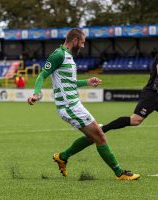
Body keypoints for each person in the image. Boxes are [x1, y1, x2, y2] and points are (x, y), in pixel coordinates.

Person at [27, 29, 139, 180]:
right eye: (82, 42)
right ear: (74, 40)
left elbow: (70, 83)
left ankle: (63, 156)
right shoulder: (58, 55)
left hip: (74, 104)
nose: (83, 46)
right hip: (69, 106)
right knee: (100, 136)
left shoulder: (68, 57)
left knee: (94, 136)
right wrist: (35, 93)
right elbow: (42, 75)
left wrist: (87, 82)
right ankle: (120, 173)